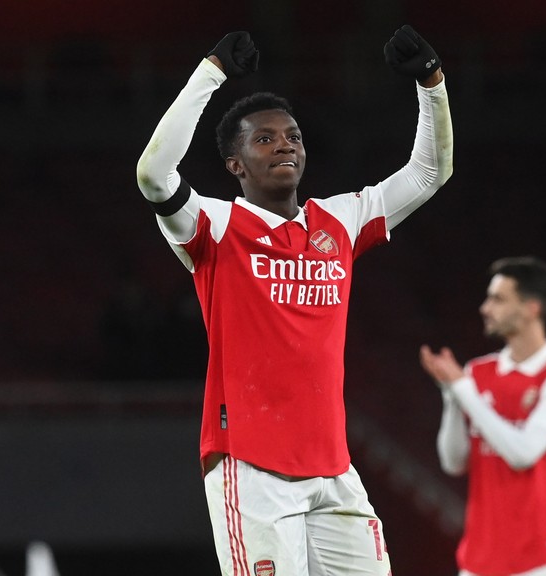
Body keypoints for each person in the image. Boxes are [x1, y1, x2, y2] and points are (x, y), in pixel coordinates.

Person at [136, 26, 453, 576]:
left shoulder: (340, 220)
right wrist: (210, 72)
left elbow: (430, 172)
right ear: (235, 165)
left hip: (332, 468)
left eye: (293, 136)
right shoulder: (216, 225)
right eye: (264, 139)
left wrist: (432, 83)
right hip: (251, 466)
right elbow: (153, 174)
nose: (284, 144)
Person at [419, 257, 546, 576]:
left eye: (498, 299)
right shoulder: (477, 372)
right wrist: (451, 396)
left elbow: (523, 454)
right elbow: (453, 463)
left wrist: (464, 391)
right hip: (477, 559)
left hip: (537, 560)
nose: (485, 308)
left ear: (531, 308)